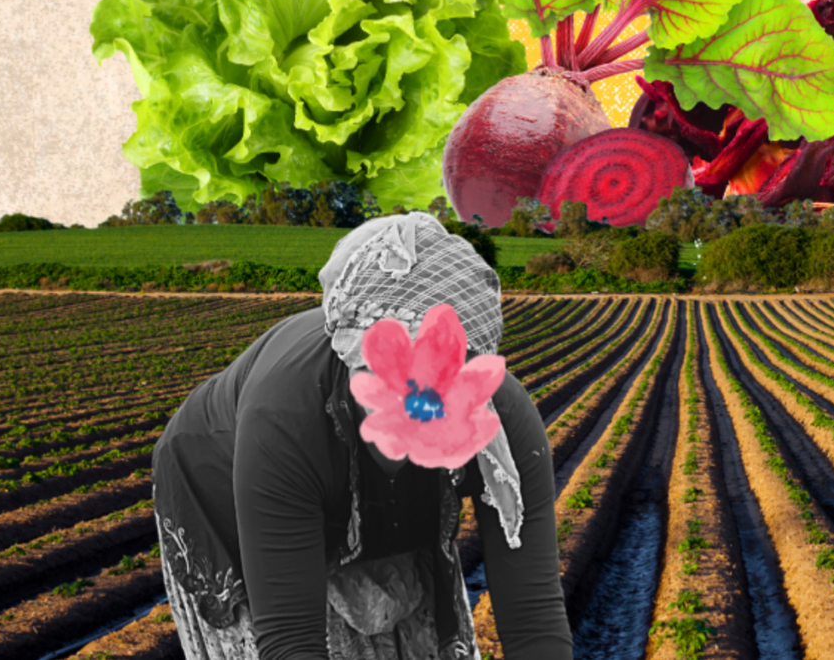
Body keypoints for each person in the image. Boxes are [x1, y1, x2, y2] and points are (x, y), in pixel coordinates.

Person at [152, 211, 572, 660]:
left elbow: (533, 615)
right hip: (228, 486)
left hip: (378, 505)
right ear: (354, 359)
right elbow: (291, 641)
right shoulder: (286, 419)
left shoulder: (504, 424)